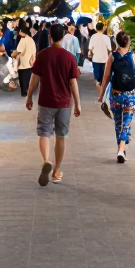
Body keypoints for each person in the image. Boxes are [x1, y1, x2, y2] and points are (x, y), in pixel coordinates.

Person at [26, 22, 81, 185]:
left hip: (45, 101)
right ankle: (56, 171)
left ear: (50, 37)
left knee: (44, 133)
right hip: (64, 103)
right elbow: (73, 83)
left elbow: (34, 79)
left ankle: (45, 161)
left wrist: (29, 97)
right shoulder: (69, 57)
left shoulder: (42, 55)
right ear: (63, 38)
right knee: (61, 137)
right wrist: (78, 103)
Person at [98, 31, 135, 163]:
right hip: (130, 95)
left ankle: (121, 149)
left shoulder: (112, 56)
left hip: (116, 94)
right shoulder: (134, 57)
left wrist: (101, 95)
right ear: (128, 43)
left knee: (118, 123)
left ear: (117, 42)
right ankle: (121, 150)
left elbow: (106, 78)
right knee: (126, 124)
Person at [13, 20, 36, 96]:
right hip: (30, 63)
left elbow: (18, 51)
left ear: (23, 32)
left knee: (23, 79)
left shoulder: (23, 40)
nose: (19, 32)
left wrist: (12, 54)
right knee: (28, 78)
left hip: (23, 64)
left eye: (20, 31)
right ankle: (28, 91)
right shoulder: (31, 39)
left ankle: (24, 92)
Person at [88, 22, 112, 87]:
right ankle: (102, 90)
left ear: (96, 28)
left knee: (97, 77)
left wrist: (90, 54)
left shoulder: (93, 37)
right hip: (104, 60)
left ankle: (99, 91)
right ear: (102, 28)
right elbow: (110, 49)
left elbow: (90, 48)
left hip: (96, 59)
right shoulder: (106, 37)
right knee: (103, 77)